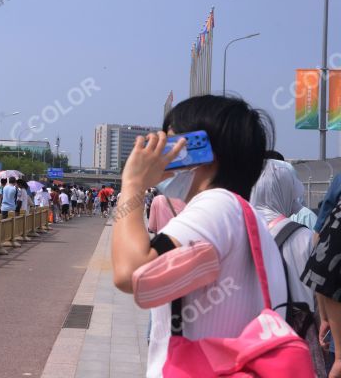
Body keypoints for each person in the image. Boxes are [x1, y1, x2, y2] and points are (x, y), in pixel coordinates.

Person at [111, 95, 288, 378]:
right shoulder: (244, 214)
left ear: (201, 148)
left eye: (169, 141)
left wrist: (132, 184)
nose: (160, 150)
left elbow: (130, 272)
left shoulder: (216, 204)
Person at [251, 159, 323, 374]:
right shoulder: (306, 237)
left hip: (252, 338)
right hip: (296, 338)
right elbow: (319, 296)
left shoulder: (239, 230)